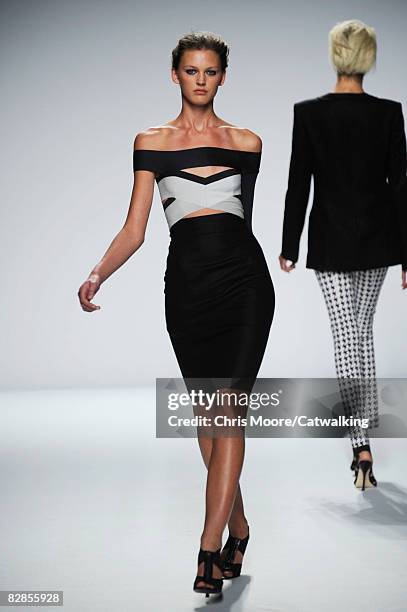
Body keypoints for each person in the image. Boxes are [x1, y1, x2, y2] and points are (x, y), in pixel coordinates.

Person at [78, 31, 275, 596]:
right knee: (207, 421)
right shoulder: (152, 141)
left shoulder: (247, 142)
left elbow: (243, 220)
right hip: (187, 288)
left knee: (229, 410)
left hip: (244, 284)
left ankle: (208, 547)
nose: (200, 80)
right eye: (191, 70)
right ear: (175, 75)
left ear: (222, 77)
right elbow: (136, 229)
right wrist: (97, 274)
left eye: (210, 71)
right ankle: (238, 525)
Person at [279, 19, 407, 491]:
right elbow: (401, 189)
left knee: (346, 334)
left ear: (336, 55)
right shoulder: (389, 113)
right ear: (367, 57)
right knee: (361, 331)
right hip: (378, 240)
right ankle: (364, 433)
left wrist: (289, 244)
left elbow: (300, 182)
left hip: (331, 241)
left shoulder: (309, 114)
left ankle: (359, 443)